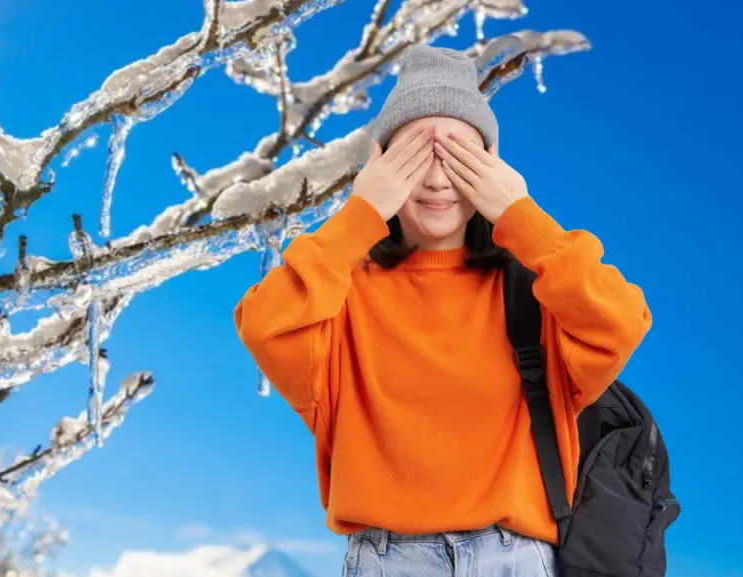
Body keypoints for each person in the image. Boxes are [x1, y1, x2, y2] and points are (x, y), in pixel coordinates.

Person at [233, 45, 651, 576]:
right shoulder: (339, 295)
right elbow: (262, 322)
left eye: (460, 159)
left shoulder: (539, 293)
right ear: (379, 166)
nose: (436, 181)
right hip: (387, 561)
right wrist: (359, 216)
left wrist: (522, 217)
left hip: (516, 561)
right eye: (414, 158)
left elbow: (622, 319)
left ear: (492, 169)